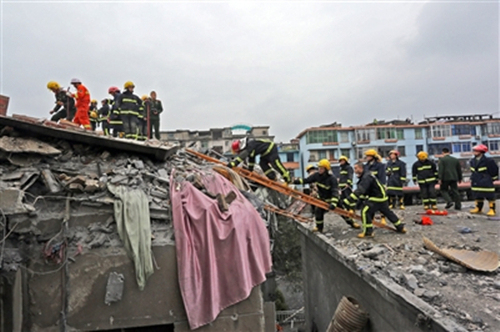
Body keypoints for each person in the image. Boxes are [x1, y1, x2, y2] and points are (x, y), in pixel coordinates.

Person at [342, 162, 407, 238]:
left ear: (361, 168)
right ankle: (400, 227)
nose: (355, 171)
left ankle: (368, 232)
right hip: (382, 197)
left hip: (376, 197)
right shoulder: (367, 175)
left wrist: (348, 201)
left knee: (365, 211)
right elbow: (363, 193)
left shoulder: (366, 177)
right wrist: (355, 206)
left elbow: (360, 190)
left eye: (356, 168)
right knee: (388, 212)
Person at [292, 159, 339, 233]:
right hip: (322, 198)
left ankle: (352, 222)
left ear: (326, 169)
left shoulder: (332, 179)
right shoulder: (316, 176)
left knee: (343, 211)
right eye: (319, 168)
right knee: (318, 211)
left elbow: (335, 191)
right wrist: (294, 181)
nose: (319, 169)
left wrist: (333, 203)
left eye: (321, 168)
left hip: (331, 199)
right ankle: (319, 228)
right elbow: (306, 180)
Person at [469, 144, 498, 216]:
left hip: (486, 181)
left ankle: (492, 209)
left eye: (476, 151)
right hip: (476, 181)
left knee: (489, 196)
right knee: (477, 195)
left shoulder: (489, 161)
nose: (474, 152)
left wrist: (493, 179)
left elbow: (494, 170)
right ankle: (478, 208)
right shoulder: (472, 161)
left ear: (481, 152)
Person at [337, 156, 360, 229]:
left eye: (342, 161)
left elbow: (350, 176)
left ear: (345, 161)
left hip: (346, 187)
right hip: (342, 187)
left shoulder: (348, 167)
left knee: (350, 199)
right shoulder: (341, 168)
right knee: (343, 199)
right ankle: (347, 209)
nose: (341, 162)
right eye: (340, 161)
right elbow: (342, 177)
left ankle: (352, 209)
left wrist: (348, 183)